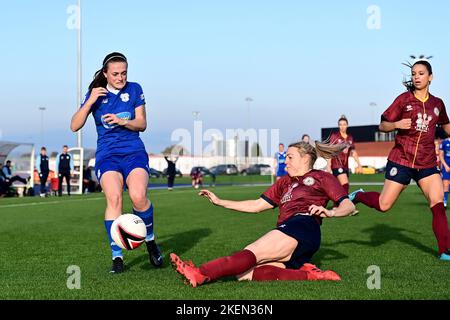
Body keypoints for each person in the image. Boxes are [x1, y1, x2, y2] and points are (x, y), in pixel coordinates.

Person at [170, 141, 356, 287]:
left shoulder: (322, 177)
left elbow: (348, 206)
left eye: (290, 157)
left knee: (250, 253)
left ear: (305, 158)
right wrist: (220, 202)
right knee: (244, 274)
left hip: (301, 226)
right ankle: (311, 274)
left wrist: (330, 212)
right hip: (297, 235)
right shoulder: (284, 182)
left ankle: (201, 273)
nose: (286, 161)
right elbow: (257, 205)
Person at [70, 52, 163, 273]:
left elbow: (142, 124)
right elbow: (74, 126)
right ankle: (117, 258)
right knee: (114, 199)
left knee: (138, 197)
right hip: (107, 155)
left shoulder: (135, 89)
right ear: (105, 74)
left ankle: (149, 240)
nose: (121, 78)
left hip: (133, 152)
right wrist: (90, 100)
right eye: (115, 74)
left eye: (124, 73)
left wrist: (123, 121)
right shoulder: (96, 95)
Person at [350, 58, 450, 260]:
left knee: (437, 202)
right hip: (401, 160)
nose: (416, 77)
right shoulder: (404, 99)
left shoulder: (437, 104)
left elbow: (446, 127)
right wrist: (396, 124)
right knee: (383, 205)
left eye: (421, 73)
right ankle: (360, 195)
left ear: (431, 77)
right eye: (414, 74)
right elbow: (382, 125)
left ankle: (444, 251)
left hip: (427, 163)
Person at [328, 115, 363, 195]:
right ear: (338, 126)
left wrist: (359, 165)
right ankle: (345, 205)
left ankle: (336, 206)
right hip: (337, 165)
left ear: (347, 125)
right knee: (345, 185)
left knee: (339, 187)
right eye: (340, 124)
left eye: (344, 124)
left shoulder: (350, 138)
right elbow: (330, 151)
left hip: (345, 166)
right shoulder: (335, 136)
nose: (342, 126)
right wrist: (328, 164)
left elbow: (353, 153)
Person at [439, 137, 450, 207]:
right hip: (447, 167)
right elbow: (441, 155)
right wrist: (445, 166)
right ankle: (444, 201)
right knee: (445, 185)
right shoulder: (444, 142)